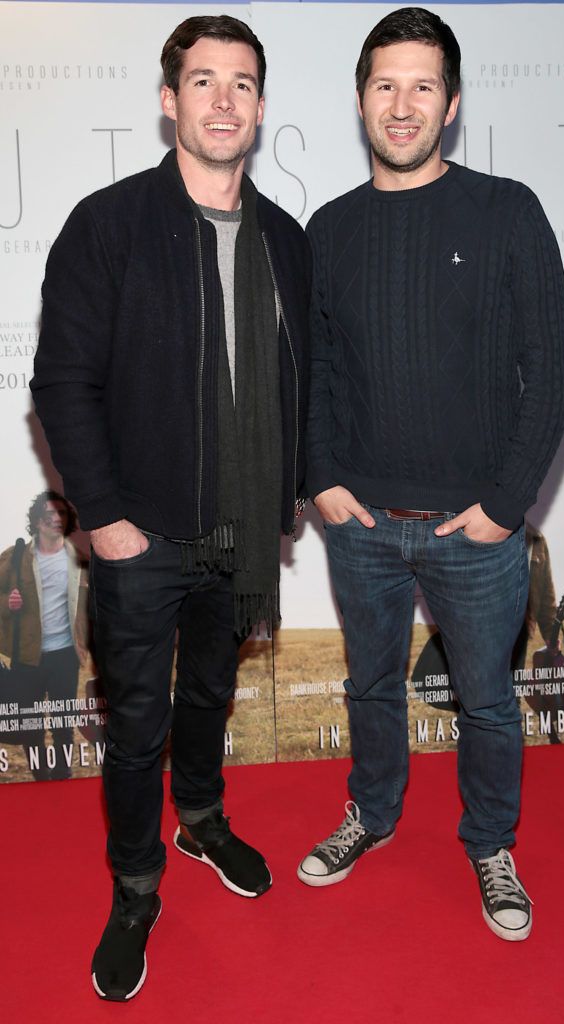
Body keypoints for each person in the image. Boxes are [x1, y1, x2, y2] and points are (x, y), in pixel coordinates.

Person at [31, 15, 310, 1001]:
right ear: (168, 100)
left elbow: (298, 381)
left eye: (241, 83)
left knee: (208, 698)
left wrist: (287, 497)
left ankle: (200, 816)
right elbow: (61, 381)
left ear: (261, 106)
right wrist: (100, 515)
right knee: (137, 719)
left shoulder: (285, 240)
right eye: (202, 81)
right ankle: (137, 888)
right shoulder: (108, 226)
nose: (222, 99)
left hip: (239, 531)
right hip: (138, 535)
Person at [298, 7, 564, 943]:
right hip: (363, 528)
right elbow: (317, 373)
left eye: (423, 85)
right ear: (360, 99)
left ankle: (491, 843)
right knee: (370, 689)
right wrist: (321, 479)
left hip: (476, 533)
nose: (403, 103)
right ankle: (371, 817)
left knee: (488, 701)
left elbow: (554, 376)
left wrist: (504, 508)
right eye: (386, 84)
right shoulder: (328, 229)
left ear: (451, 105)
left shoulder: (509, 210)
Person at [0, 490, 88, 780]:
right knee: (30, 725)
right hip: (27, 656)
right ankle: (40, 780)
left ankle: (62, 777)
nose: (55, 519)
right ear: (37, 522)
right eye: (48, 515)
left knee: (64, 722)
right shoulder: (16, 557)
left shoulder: (80, 560)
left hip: (66, 655)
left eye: (60, 514)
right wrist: (6, 603)